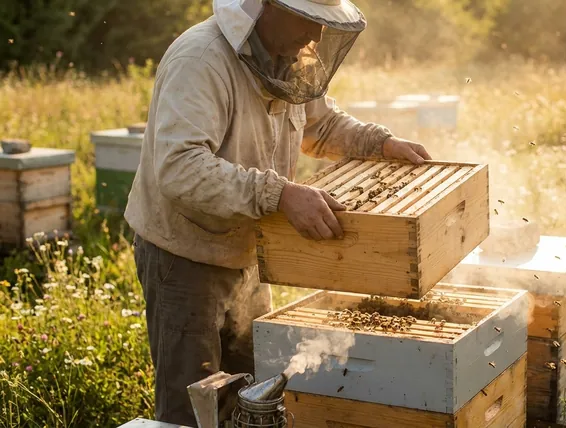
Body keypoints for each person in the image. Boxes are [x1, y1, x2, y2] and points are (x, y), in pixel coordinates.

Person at [123, 0, 432, 424]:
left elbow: (319, 126)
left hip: (250, 256)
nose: (319, 35)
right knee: (194, 407)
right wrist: (281, 194)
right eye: (309, 19)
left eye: (325, 23)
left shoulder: (290, 57)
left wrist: (378, 143)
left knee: (254, 395)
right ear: (266, 6)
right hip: (186, 259)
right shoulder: (200, 60)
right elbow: (180, 168)